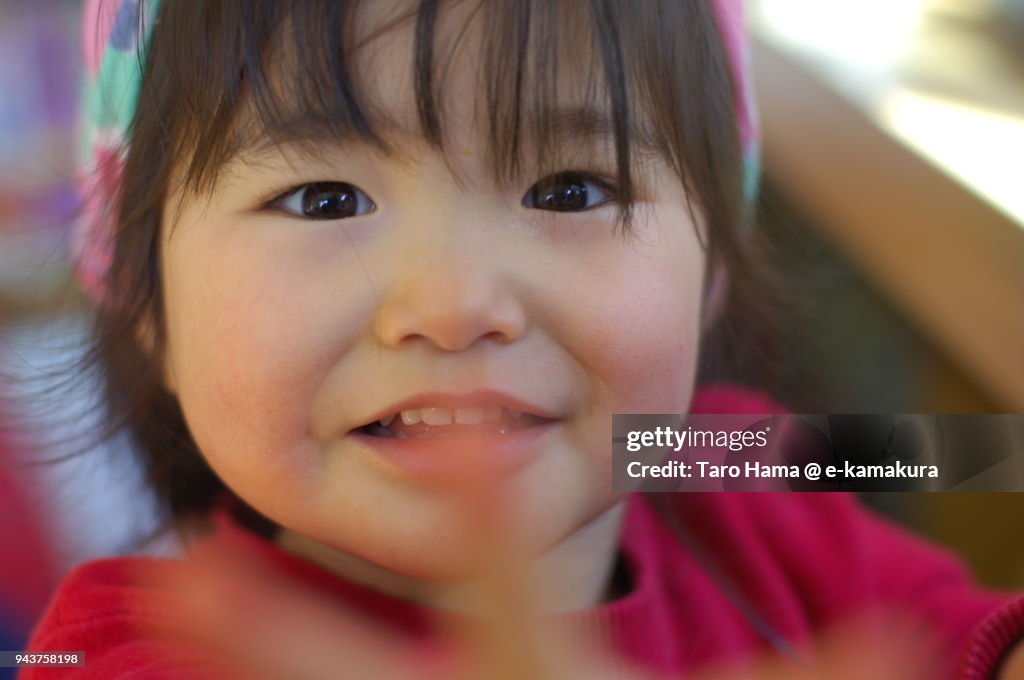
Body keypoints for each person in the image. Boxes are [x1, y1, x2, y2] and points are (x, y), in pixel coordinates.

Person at [20, 0, 1024, 678]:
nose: (453, 305)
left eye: (569, 188)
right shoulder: (134, 650)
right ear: (144, 300)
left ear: (712, 260)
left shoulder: (720, 459)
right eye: (323, 197)